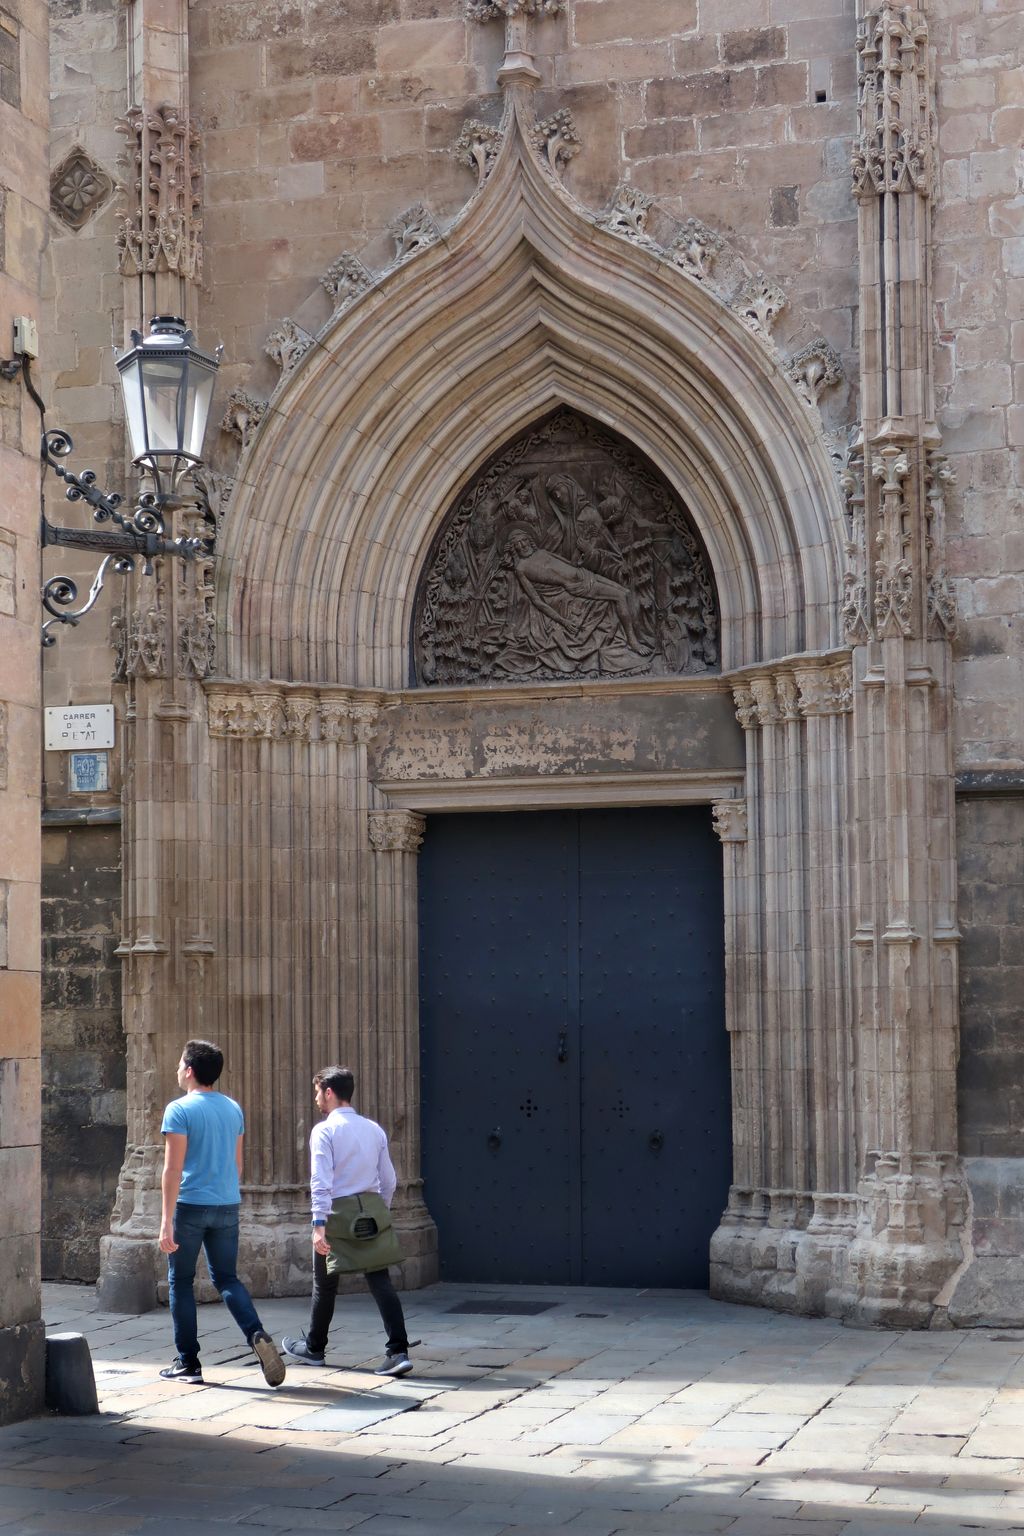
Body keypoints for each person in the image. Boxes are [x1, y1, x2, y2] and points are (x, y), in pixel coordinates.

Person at [158, 1038, 286, 1388]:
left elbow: (172, 1169)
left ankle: (188, 1362)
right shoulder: (233, 1108)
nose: (177, 1069)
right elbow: (237, 1162)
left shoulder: (178, 1109)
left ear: (189, 1070)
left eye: (179, 1063)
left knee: (180, 1282)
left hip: (190, 1205)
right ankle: (255, 1332)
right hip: (226, 1203)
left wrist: (166, 1221)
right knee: (227, 1278)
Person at [282, 1066, 413, 1376]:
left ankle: (315, 1348)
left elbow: (320, 1180)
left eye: (317, 1092)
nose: (316, 1098)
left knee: (324, 1285)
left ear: (329, 1092)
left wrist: (318, 1224)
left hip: (335, 1214)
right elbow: (389, 1179)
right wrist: (380, 1210)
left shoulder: (324, 1130)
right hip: (369, 1210)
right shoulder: (373, 1128)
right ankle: (398, 1351)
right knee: (380, 1280)